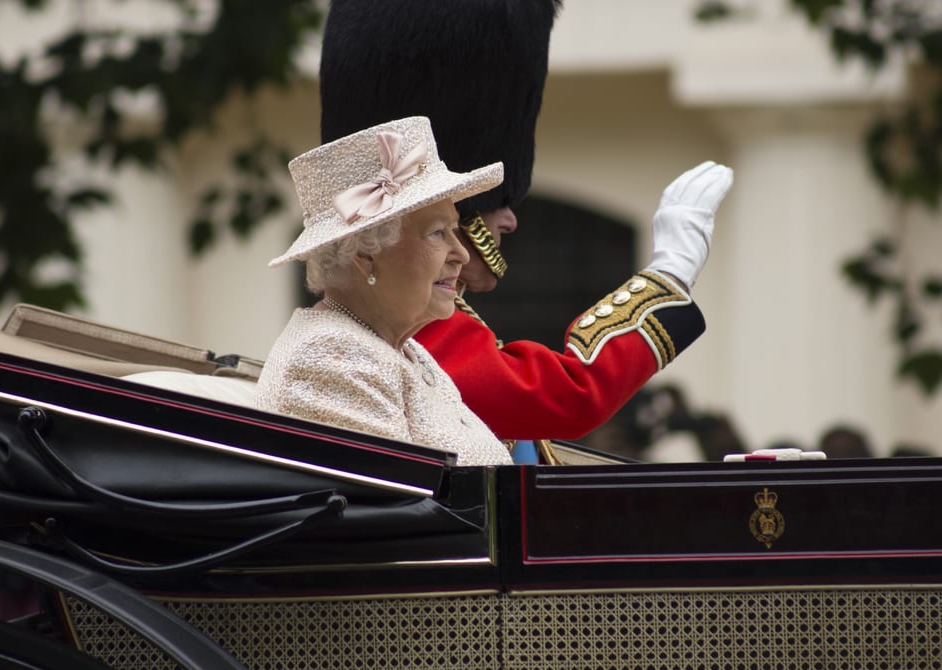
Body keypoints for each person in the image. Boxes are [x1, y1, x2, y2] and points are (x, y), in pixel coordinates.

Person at [320, 0, 733, 459]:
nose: (511, 218)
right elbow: (568, 393)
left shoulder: (416, 325)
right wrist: (668, 277)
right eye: (441, 228)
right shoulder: (412, 331)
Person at [255, 116, 513, 466]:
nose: (462, 254)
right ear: (365, 254)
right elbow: (407, 514)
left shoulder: (403, 350)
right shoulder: (334, 358)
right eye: (438, 233)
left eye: (456, 230)